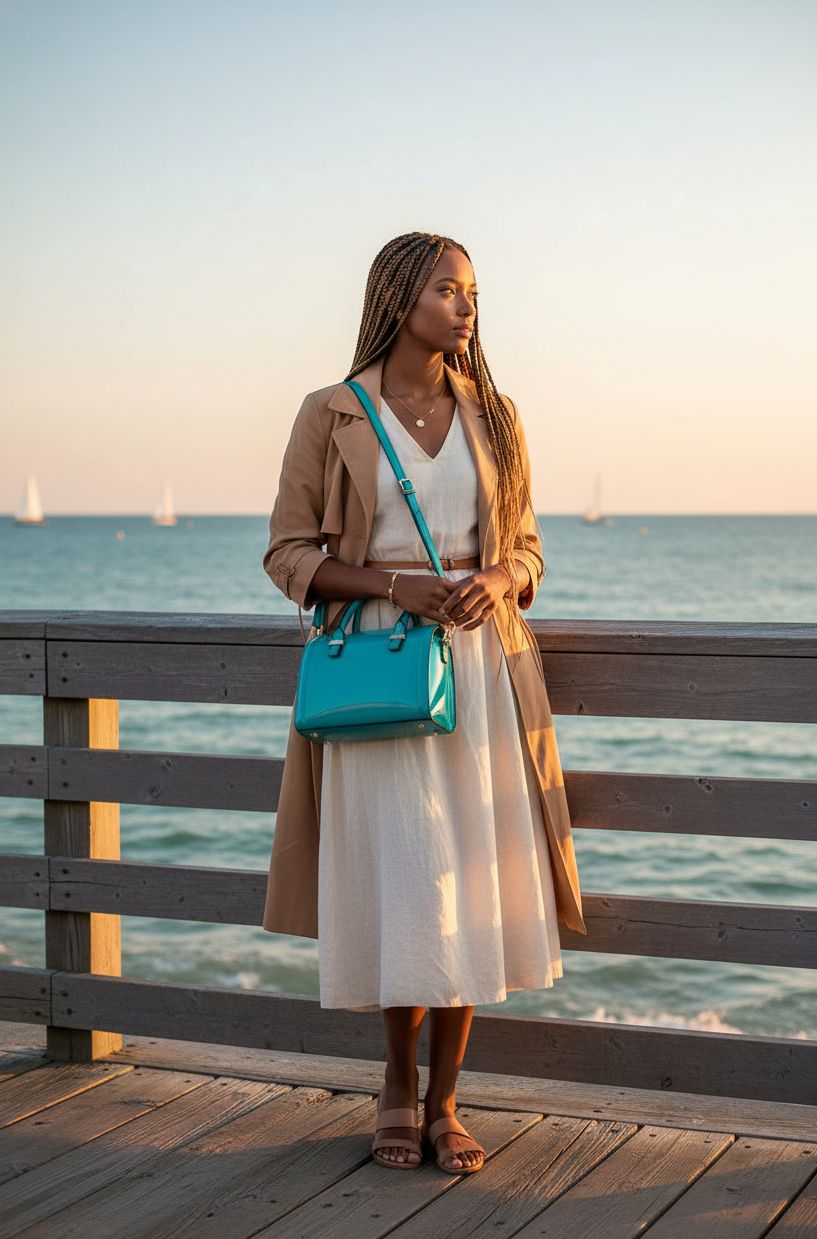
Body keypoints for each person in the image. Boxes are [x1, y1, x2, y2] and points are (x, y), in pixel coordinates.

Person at [261, 231, 586, 1174]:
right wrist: (386, 586)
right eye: (448, 288)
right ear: (402, 297)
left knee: (465, 882)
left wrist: (498, 577)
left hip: (482, 677)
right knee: (407, 880)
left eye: (472, 291)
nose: (466, 305)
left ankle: (445, 1103)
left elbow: (527, 548)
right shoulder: (334, 413)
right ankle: (395, 1085)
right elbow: (287, 554)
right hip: (378, 676)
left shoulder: (496, 415)